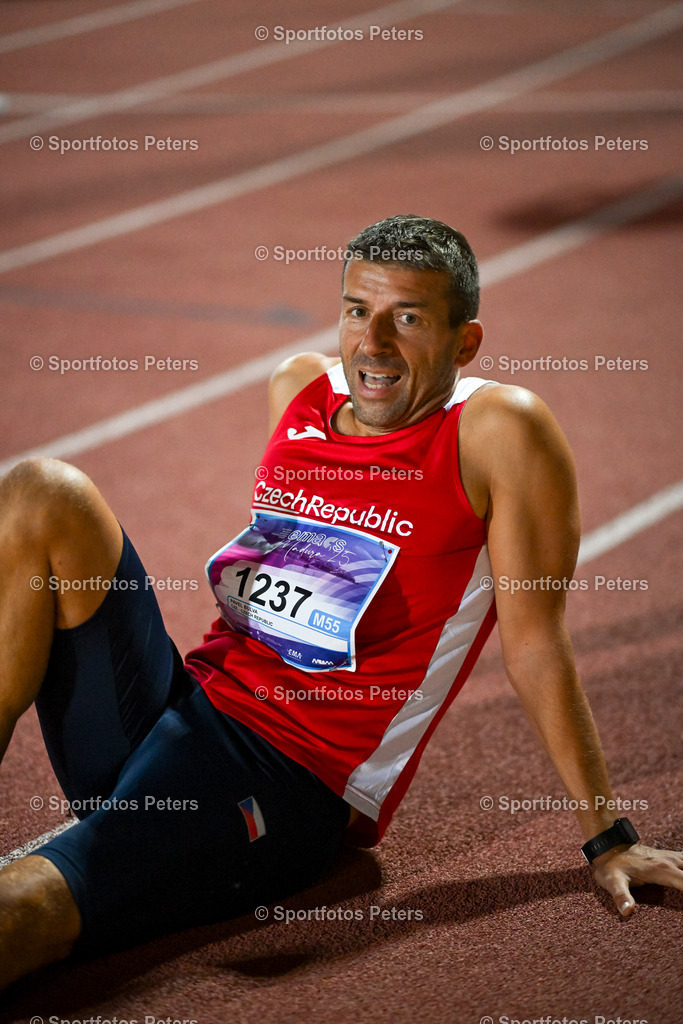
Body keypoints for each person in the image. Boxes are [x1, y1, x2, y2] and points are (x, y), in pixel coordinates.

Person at [0, 215, 680, 992]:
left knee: (19, 908)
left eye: (409, 318)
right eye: (358, 310)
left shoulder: (497, 432)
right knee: (39, 493)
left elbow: (533, 641)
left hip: (284, 780)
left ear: (464, 343)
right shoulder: (297, 386)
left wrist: (607, 837)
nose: (374, 342)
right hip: (180, 710)